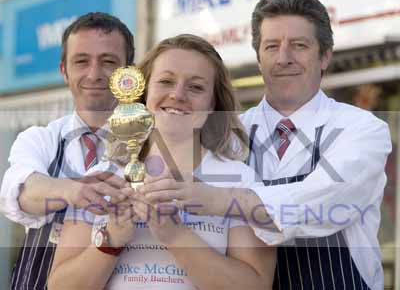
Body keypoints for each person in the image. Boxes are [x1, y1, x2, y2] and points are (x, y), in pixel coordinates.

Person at [138, 0, 392, 290]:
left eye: (299, 45)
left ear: (325, 56)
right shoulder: (228, 136)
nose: (284, 58)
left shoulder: (361, 130)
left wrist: (218, 199)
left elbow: (323, 202)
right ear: (258, 58)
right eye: (272, 46)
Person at [48, 34, 276, 289]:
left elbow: (257, 285)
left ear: (213, 103)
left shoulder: (241, 180)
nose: (178, 95)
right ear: (144, 92)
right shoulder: (101, 178)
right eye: (166, 81)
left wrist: (176, 235)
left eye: (196, 87)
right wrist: (111, 239)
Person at [0, 12, 135, 289]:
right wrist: (72, 189)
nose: (94, 74)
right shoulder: (40, 139)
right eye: (81, 61)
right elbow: (22, 192)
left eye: (108, 62)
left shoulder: (151, 144)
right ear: (64, 70)